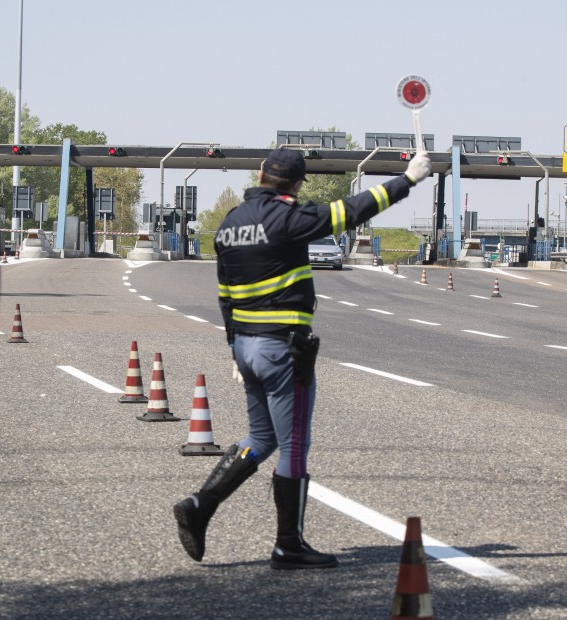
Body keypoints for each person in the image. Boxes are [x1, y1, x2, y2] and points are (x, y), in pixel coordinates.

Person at [172, 147, 431, 570]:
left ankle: (200, 505)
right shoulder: (289, 218)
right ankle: (287, 545)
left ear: (260, 174)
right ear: (295, 184)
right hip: (281, 350)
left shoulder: (231, 223)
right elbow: (352, 210)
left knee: (261, 438)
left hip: (246, 346)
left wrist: (235, 349)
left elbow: (224, 293)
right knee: (293, 446)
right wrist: (409, 180)